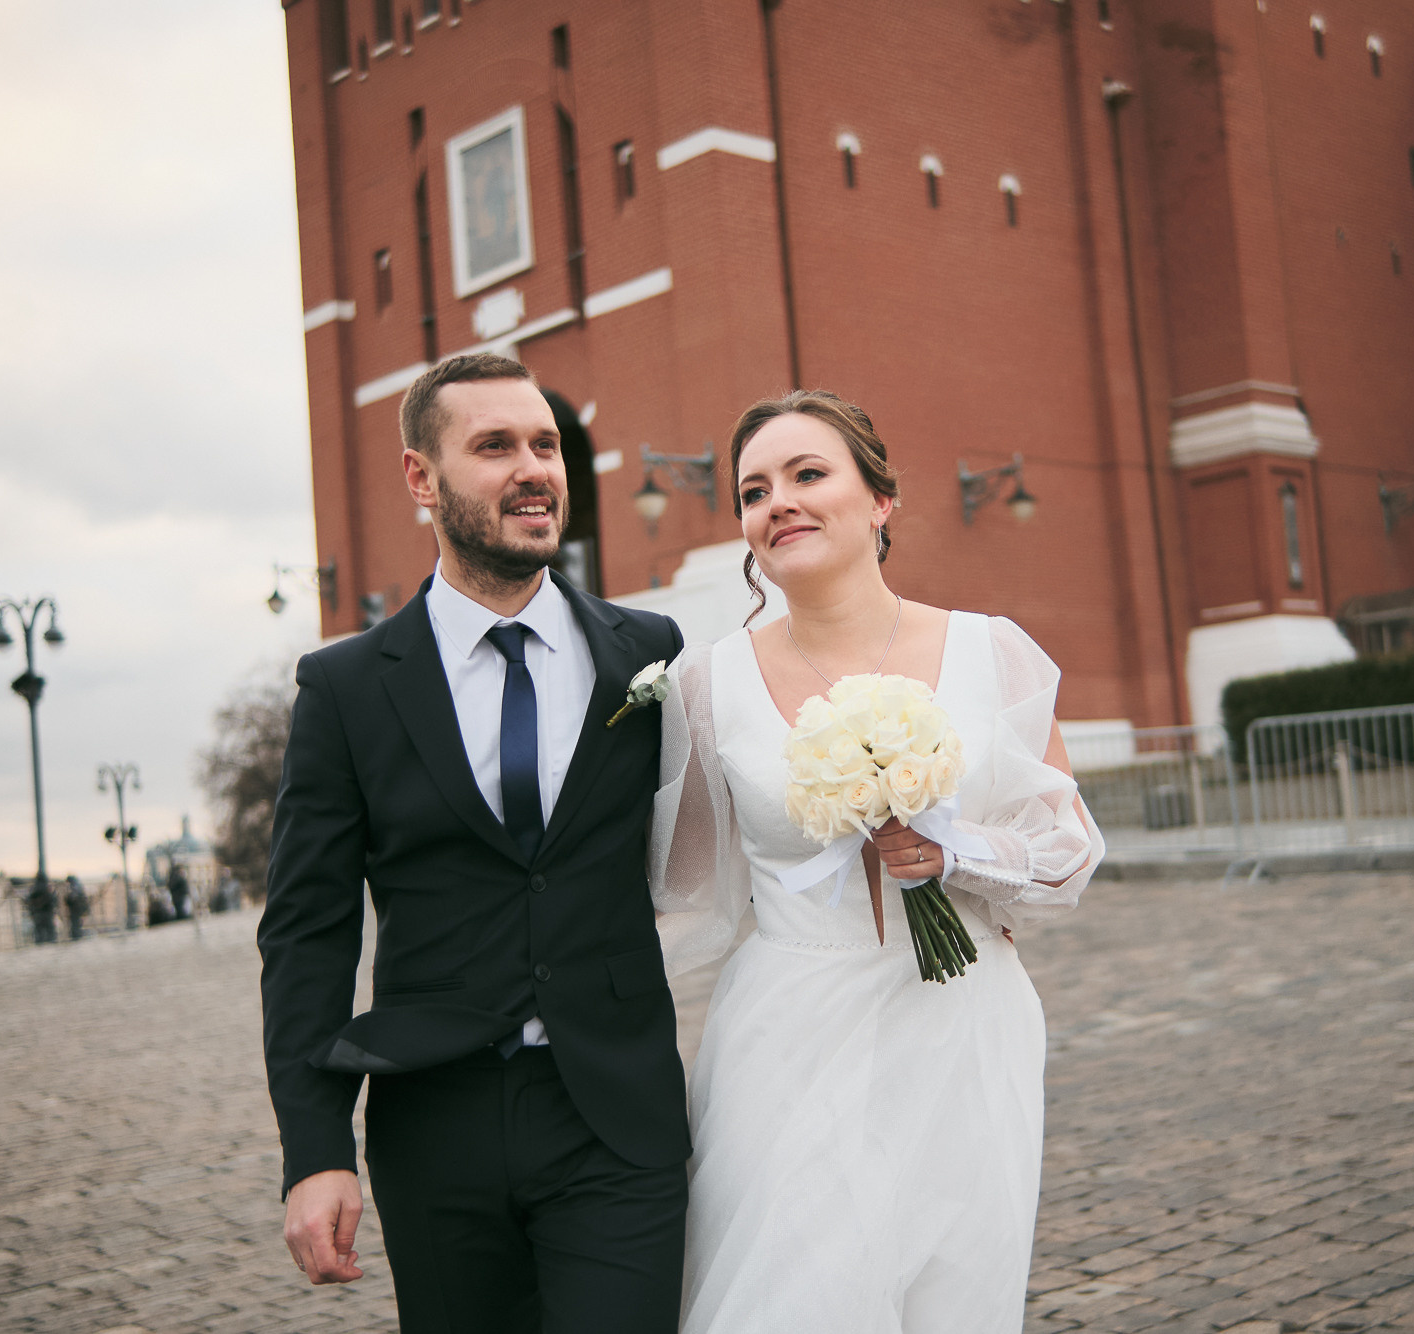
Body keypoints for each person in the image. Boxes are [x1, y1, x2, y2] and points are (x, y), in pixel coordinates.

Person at [650, 390, 1105, 1333]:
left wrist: (955, 854)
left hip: (962, 1027)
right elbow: (684, 899)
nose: (779, 501)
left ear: (880, 500)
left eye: (808, 474)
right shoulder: (707, 684)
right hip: (788, 1032)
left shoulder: (991, 651)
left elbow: (1068, 850)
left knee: (951, 1302)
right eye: (754, 491)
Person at [258, 353, 689, 1333]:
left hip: (615, 1119)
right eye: (494, 447)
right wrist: (314, 1149)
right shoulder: (346, 689)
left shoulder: (648, 652)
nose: (532, 469)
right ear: (422, 477)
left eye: (545, 445)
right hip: (433, 1127)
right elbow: (307, 933)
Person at [64, 875, 89, 940]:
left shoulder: (74, 887)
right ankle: (77, 935)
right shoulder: (78, 886)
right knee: (77, 922)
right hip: (78, 908)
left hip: (75, 908)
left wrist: (68, 899)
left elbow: (73, 897)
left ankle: (76, 936)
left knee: (75, 923)